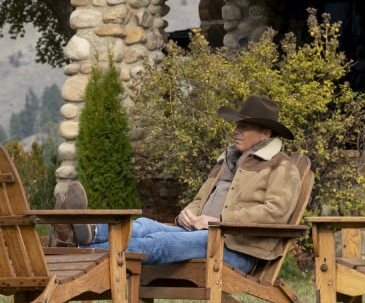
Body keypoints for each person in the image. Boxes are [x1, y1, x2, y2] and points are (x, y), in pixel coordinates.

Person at [86, 95, 304, 273]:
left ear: (265, 133)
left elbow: (275, 213)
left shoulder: (281, 166)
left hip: (237, 249)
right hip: (199, 235)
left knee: (159, 241)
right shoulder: (227, 160)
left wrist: (218, 222)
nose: (236, 131)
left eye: (244, 127)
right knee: (144, 225)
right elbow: (201, 199)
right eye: (237, 126)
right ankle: (88, 234)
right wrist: (187, 214)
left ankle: (83, 257)